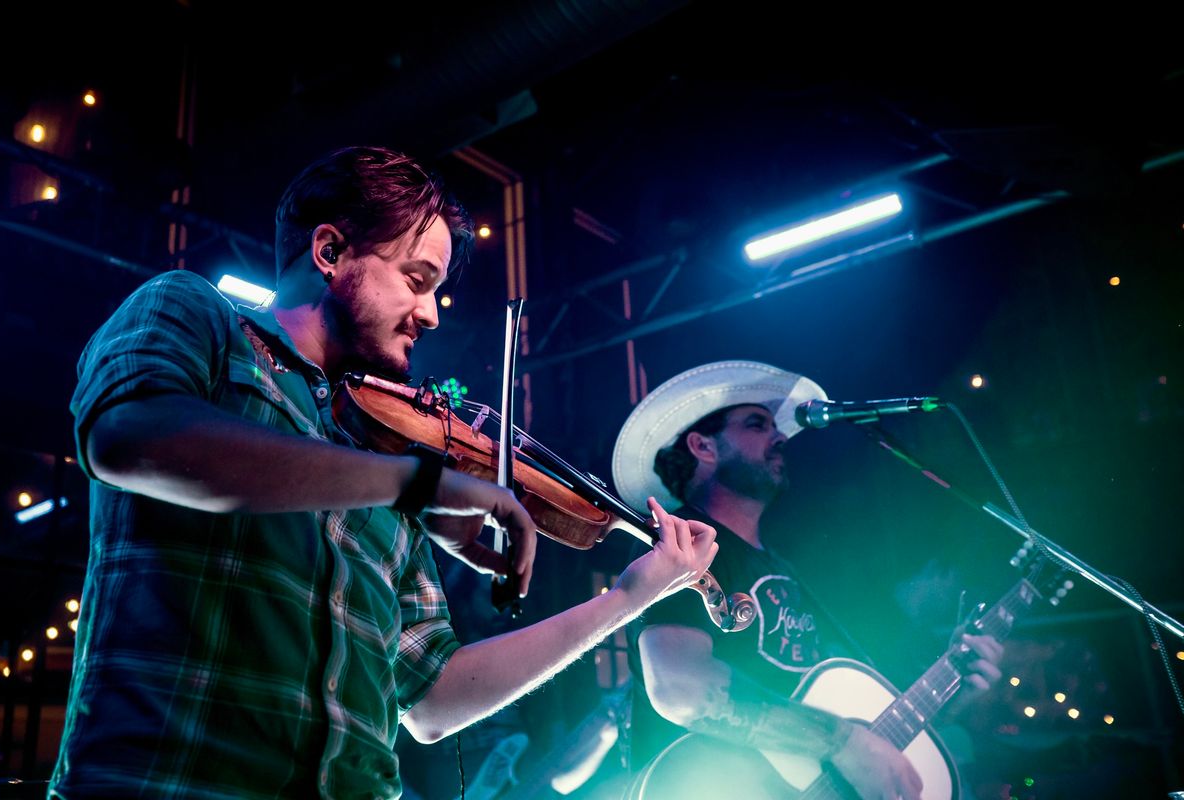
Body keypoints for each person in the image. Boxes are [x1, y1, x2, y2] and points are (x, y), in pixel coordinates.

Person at [49, 146, 717, 800]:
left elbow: (432, 699)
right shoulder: (197, 315)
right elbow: (128, 439)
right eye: (416, 279)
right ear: (331, 252)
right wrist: (415, 483)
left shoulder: (382, 456)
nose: (429, 313)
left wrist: (628, 599)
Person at [611, 361, 1004, 800]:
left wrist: (952, 687)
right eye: (757, 424)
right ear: (703, 446)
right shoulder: (679, 543)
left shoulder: (784, 569)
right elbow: (681, 689)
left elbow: (845, 710)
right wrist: (843, 740)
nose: (780, 436)